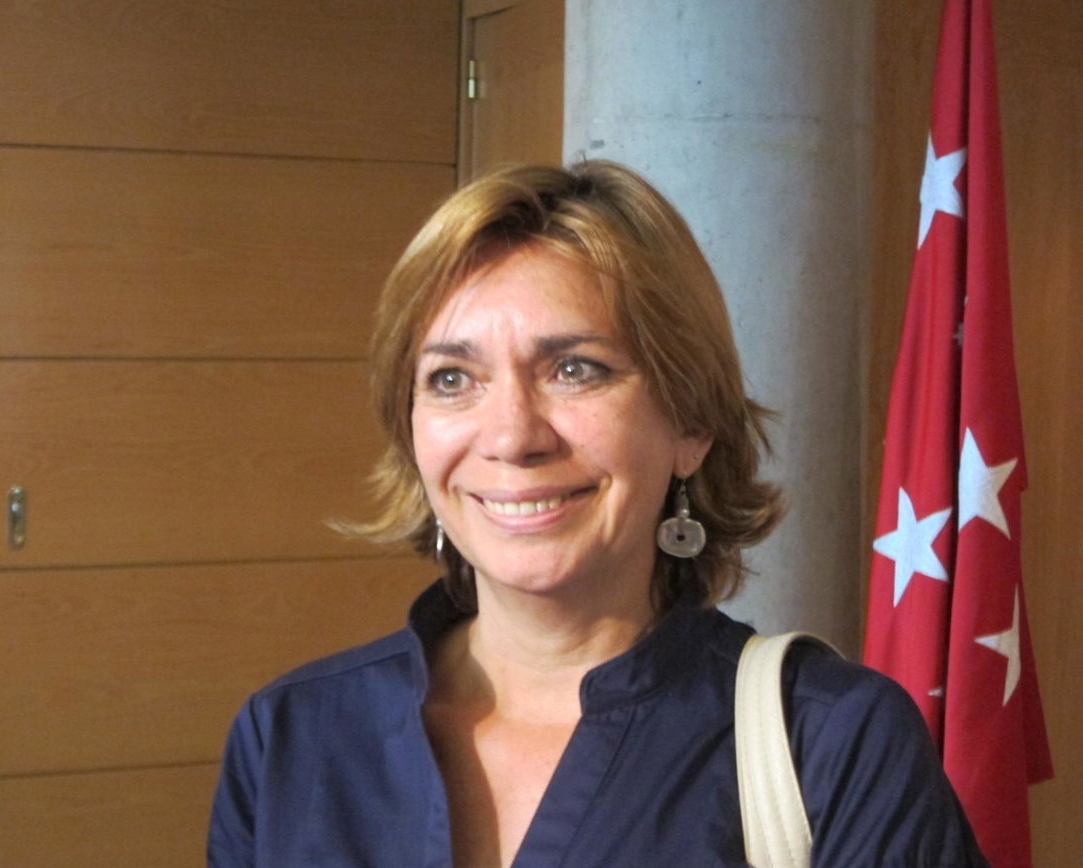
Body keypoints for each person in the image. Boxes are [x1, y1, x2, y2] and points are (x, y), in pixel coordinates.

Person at [208, 162, 986, 867]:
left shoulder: (833, 741)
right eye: (451, 379)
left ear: (690, 423)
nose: (512, 437)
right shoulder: (289, 739)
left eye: (575, 369)